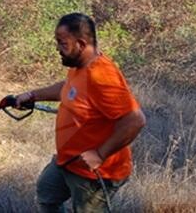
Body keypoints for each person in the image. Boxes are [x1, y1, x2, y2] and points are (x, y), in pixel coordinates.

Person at [12, 13, 146, 212]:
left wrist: (100, 155)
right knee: (47, 195)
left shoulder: (102, 77)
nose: (58, 49)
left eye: (62, 43)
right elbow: (68, 88)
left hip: (94, 172)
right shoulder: (80, 66)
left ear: (81, 44)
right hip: (68, 161)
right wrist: (32, 95)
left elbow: (135, 120)